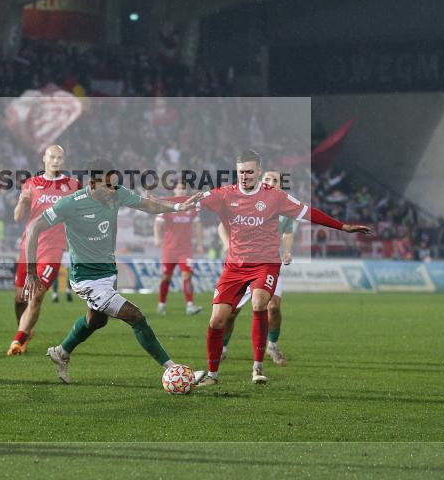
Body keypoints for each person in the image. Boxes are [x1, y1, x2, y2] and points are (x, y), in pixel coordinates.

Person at [193, 150, 370, 386]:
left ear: (259, 172)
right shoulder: (227, 195)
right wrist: (159, 204)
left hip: (266, 262)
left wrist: (342, 226)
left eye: (249, 172)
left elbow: (307, 214)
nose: (245, 176)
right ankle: (214, 372)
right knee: (219, 319)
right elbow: (201, 209)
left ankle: (259, 365)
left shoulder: (276, 199)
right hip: (236, 265)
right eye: (241, 172)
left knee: (263, 304)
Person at [23, 159, 195, 384]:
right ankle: (173, 370)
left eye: (115, 184)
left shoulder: (117, 194)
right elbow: (34, 226)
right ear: (93, 184)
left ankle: (61, 353)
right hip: (86, 279)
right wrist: (30, 271)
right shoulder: (71, 204)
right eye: (108, 186)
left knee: (96, 321)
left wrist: (177, 206)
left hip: (108, 273)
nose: (113, 190)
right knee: (136, 316)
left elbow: (148, 205)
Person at [8, 145, 80, 355]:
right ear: (44, 159)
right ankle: (23, 330)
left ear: (63, 161)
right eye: (52, 157)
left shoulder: (73, 186)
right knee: (20, 297)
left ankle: (18, 341)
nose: (56, 161)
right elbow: (17, 217)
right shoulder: (32, 183)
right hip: (28, 247)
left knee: (36, 296)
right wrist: (21, 201)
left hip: (52, 248)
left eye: (60, 157)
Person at [216, 170, 294, 366]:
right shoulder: (247, 201)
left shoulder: (284, 208)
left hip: (269, 265)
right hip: (242, 266)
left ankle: (272, 346)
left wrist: (287, 251)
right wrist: (227, 245)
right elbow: (222, 225)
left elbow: (287, 233)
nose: (271, 182)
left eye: (275, 180)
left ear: (280, 185)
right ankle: (223, 348)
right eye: (268, 178)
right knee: (232, 313)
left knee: (273, 307)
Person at [154, 181, 203, 316]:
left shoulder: (191, 206)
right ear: (174, 190)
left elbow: (197, 226)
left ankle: (190, 305)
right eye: (178, 188)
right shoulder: (168, 204)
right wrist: (157, 237)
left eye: (183, 189)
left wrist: (199, 243)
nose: (181, 191)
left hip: (185, 249)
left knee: (187, 276)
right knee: (166, 278)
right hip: (169, 249)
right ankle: (161, 304)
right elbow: (158, 224)